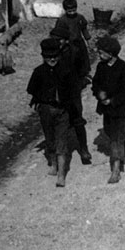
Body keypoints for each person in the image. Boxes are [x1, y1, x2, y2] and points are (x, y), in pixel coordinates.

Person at [27, 38, 78, 187]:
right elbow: (32, 90)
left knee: (61, 142)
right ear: (43, 57)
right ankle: (53, 165)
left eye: (55, 55)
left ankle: (61, 175)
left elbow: (74, 91)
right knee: (50, 139)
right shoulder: (38, 72)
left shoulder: (67, 71)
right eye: (48, 56)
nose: (52, 59)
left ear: (60, 55)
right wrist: (39, 101)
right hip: (46, 110)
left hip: (62, 111)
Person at [92, 36, 125, 184]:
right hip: (106, 109)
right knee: (109, 132)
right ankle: (123, 150)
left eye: (101, 52)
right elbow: (95, 83)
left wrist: (112, 100)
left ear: (111, 53)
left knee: (115, 138)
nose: (99, 55)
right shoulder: (101, 67)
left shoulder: (124, 68)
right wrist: (99, 92)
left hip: (120, 109)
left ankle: (116, 170)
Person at [50, 24, 92, 164]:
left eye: (59, 39)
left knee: (77, 120)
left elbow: (84, 67)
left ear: (66, 40)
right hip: (59, 91)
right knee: (58, 122)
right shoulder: (53, 53)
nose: (56, 42)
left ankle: (84, 150)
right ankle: (58, 154)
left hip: (73, 91)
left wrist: (80, 81)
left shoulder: (75, 51)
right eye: (54, 39)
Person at [54, 0, 91, 83]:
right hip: (69, 45)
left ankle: (83, 76)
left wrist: (88, 40)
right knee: (71, 61)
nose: (72, 13)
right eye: (69, 11)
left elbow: (84, 29)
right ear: (65, 10)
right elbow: (58, 33)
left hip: (79, 42)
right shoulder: (62, 20)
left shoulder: (80, 18)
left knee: (82, 59)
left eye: (74, 10)